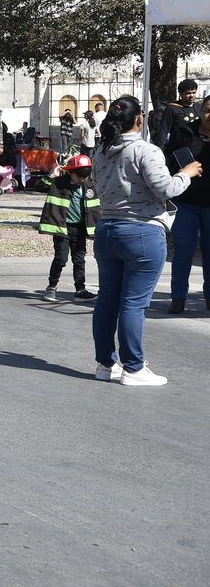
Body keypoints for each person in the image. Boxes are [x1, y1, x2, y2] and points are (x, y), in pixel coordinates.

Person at [92, 96, 200, 385]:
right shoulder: (145, 150)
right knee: (133, 304)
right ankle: (134, 368)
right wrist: (186, 174)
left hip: (106, 229)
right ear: (139, 119)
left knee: (107, 300)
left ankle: (106, 364)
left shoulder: (100, 151)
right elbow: (166, 189)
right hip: (141, 231)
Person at [163, 94, 210, 314]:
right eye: (207, 109)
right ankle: (178, 298)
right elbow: (170, 162)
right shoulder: (185, 133)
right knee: (183, 251)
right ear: (201, 110)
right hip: (186, 203)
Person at [37, 154, 100, 302]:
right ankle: (51, 287)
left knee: (79, 260)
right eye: (79, 177)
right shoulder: (59, 183)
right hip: (62, 228)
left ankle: (80, 290)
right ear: (70, 172)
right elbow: (39, 186)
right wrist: (52, 176)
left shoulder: (90, 185)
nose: (83, 180)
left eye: (86, 177)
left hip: (79, 229)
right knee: (61, 258)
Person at [154, 78, 198, 152]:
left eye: (194, 93)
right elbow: (163, 131)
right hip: (179, 149)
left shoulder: (200, 107)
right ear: (181, 93)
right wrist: (160, 151)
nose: (191, 96)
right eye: (188, 93)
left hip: (197, 148)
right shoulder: (172, 108)